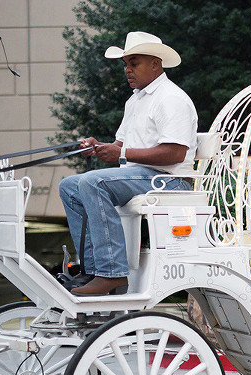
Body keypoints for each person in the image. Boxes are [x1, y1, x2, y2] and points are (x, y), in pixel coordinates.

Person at [59, 31, 198, 296]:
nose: (127, 70)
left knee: (93, 181)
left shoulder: (171, 98)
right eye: (125, 64)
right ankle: (90, 269)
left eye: (134, 63)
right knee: (69, 186)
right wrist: (99, 146)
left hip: (170, 181)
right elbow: (122, 146)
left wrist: (122, 155)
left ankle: (111, 273)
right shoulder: (136, 100)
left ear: (155, 64)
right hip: (141, 177)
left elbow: (176, 153)